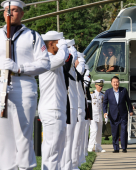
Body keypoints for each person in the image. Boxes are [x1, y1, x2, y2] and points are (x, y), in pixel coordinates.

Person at [0, 1, 50, 169]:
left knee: (23, 134)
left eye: (14, 10)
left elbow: (45, 63)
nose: (10, 13)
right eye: (7, 10)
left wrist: (20, 68)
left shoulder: (33, 36)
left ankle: (26, 167)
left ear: (22, 14)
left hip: (24, 88)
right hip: (1, 88)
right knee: (4, 138)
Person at [38, 31, 69, 170]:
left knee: (57, 151)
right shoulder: (47, 60)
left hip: (56, 109)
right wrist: (64, 47)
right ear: (51, 44)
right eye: (59, 42)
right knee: (52, 152)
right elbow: (63, 58)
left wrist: (62, 46)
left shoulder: (52, 59)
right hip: (52, 110)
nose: (61, 44)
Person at [103, 76, 133, 153]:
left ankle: (124, 147)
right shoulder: (108, 92)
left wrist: (130, 110)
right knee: (114, 132)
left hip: (123, 114)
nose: (116, 83)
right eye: (114, 82)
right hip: (113, 115)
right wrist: (105, 112)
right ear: (111, 83)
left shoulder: (124, 90)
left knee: (123, 131)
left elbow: (128, 101)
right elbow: (105, 103)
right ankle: (116, 148)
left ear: (119, 82)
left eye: (117, 82)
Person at [61, 39, 78, 170]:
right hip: (67, 104)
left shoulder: (70, 67)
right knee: (66, 138)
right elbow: (72, 58)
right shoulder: (64, 64)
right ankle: (66, 166)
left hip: (71, 103)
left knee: (70, 138)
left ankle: (69, 165)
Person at [72, 52, 86, 170]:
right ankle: (73, 163)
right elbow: (79, 70)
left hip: (78, 106)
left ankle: (75, 161)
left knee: (78, 137)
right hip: (73, 106)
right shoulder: (69, 69)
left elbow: (81, 70)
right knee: (72, 138)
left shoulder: (76, 69)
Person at [88, 79, 106, 153]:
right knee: (94, 130)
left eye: (101, 86)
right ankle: (90, 146)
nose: (100, 87)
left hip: (99, 115)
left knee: (99, 132)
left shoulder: (103, 95)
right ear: (95, 85)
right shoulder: (91, 94)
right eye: (99, 85)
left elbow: (104, 106)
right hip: (92, 115)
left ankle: (98, 147)